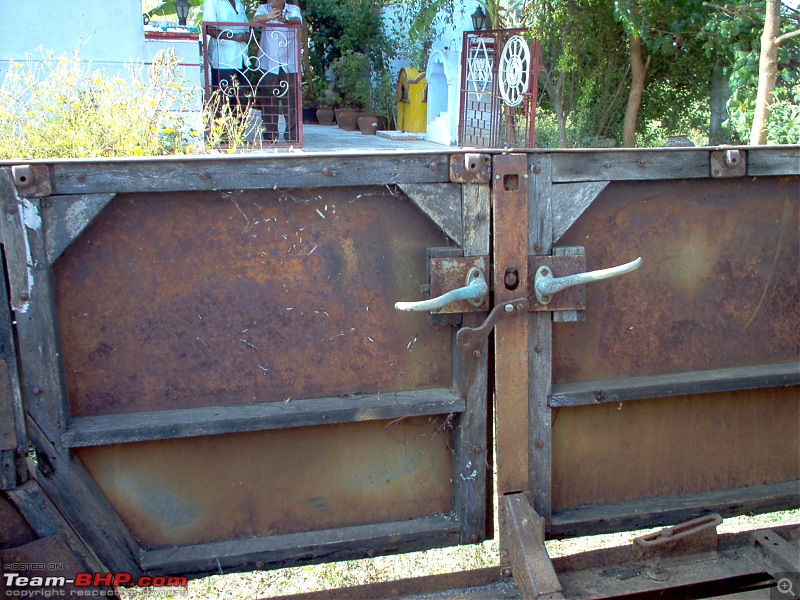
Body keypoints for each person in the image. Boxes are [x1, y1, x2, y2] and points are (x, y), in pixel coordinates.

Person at [253, 0, 302, 143]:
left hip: (289, 63)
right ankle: (270, 136)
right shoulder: (263, 9)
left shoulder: (293, 9)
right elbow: (256, 20)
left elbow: (297, 21)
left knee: (291, 101)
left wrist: (284, 20)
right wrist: (269, 17)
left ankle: (293, 137)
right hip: (269, 63)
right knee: (268, 100)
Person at [202, 0, 251, 105]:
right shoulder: (212, 2)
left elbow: (247, 27)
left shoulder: (238, 3)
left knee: (242, 101)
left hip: (241, 58)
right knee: (223, 101)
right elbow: (209, 28)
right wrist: (235, 37)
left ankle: (240, 122)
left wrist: (247, 36)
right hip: (223, 59)